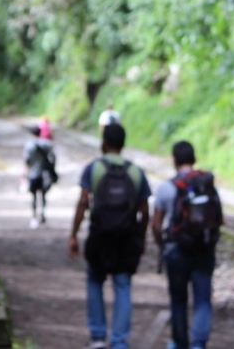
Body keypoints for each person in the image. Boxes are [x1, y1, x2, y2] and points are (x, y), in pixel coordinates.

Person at [68, 124, 151, 349]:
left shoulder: (93, 169)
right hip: (126, 236)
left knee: (95, 280)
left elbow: (84, 202)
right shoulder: (136, 172)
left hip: (99, 235)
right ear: (123, 144)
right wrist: (141, 238)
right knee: (122, 284)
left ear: (103, 142)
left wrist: (74, 234)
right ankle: (119, 341)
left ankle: (97, 337)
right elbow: (144, 210)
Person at [151, 141, 222, 349]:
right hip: (203, 249)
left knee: (178, 299)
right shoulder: (208, 186)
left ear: (174, 161)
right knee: (202, 299)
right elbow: (218, 219)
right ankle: (198, 343)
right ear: (194, 159)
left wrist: (162, 245)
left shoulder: (166, 188)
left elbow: (155, 224)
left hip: (176, 250)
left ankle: (180, 342)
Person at [22, 126, 56, 229]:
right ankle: (42, 213)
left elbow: (26, 162)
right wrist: (51, 169)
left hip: (33, 175)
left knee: (34, 197)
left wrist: (24, 176)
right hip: (45, 174)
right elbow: (53, 157)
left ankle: (34, 216)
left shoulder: (28, 145)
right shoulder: (47, 144)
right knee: (44, 195)